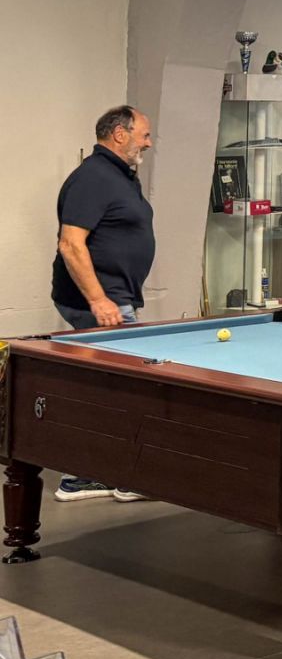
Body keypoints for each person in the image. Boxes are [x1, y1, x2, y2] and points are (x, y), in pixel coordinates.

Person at [49, 105, 156, 503]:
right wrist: (99, 300)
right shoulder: (93, 177)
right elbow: (70, 243)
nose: (149, 142)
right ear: (119, 134)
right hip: (100, 303)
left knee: (115, 386)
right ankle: (87, 475)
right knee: (124, 388)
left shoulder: (119, 175)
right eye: (144, 134)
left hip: (114, 298)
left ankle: (107, 472)